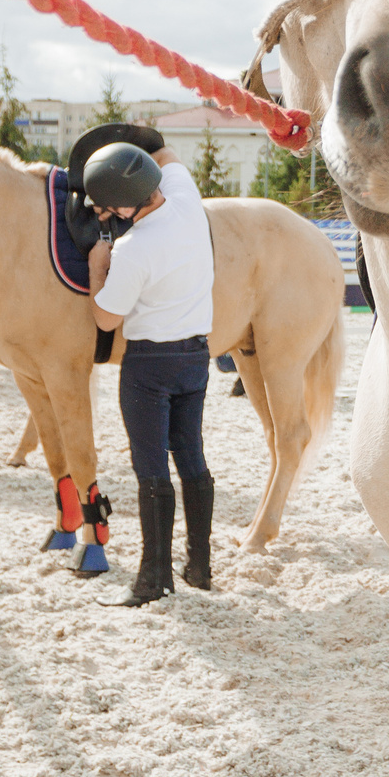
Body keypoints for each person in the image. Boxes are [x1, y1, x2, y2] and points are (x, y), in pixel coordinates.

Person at [85, 139, 217, 606]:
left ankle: (152, 579)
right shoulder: (186, 198)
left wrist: (97, 269)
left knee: (151, 471)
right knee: (192, 459)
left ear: (121, 205)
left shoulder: (133, 249)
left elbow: (106, 318)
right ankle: (199, 566)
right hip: (196, 359)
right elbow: (172, 156)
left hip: (148, 367)